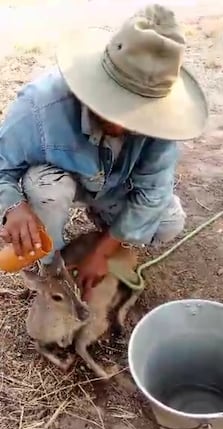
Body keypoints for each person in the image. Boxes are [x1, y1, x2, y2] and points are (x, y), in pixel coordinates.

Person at [0, 4, 208, 301]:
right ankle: (49, 266)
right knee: (45, 187)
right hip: (59, 183)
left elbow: (153, 193)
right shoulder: (40, 106)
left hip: (113, 187)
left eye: (139, 114)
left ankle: (104, 225)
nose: (124, 125)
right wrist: (12, 207)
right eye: (117, 106)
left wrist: (104, 250)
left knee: (167, 223)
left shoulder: (162, 127)